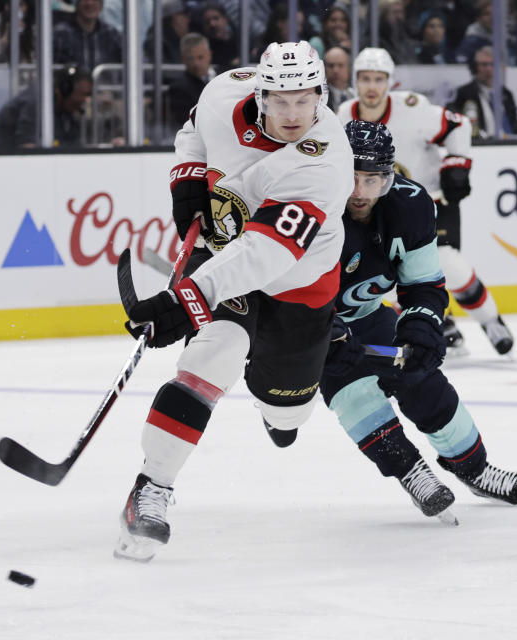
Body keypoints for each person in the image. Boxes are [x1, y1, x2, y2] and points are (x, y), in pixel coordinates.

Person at [115, 41, 353, 562]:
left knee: (288, 416)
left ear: (322, 97)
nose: (293, 114)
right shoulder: (224, 91)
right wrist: (189, 178)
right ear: (260, 93)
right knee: (209, 358)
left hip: (298, 283)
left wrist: (186, 298)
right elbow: (194, 129)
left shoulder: (326, 160)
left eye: (305, 100)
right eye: (281, 100)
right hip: (232, 272)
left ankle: (279, 398)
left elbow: (266, 252)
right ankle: (150, 489)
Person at [312, 120, 517, 522]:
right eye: (351, 179)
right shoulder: (307, 209)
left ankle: (474, 468)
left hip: (364, 315)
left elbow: (423, 285)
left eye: (373, 180)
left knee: (420, 374)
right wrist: (321, 331)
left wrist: (420, 326)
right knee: (352, 390)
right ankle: (410, 471)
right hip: (302, 328)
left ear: (389, 176)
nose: (360, 193)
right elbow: (282, 291)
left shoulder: (412, 205)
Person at [337, 47, 514, 356]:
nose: (371, 87)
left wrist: (457, 164)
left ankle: (491, 320)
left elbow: (459, 124)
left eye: (378, 79)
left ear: (390, 82)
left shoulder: (413, 107)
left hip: (429, 201)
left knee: (447, 265)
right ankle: (444, 324)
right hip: (380, 207)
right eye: (364, 79)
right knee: (385, 269)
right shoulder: (343, 114)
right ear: (355, 81)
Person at [0, 66, 92, 150]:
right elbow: (27, 147)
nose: (86, 100)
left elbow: (73, 144)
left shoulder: (65, 109)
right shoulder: (37, 103)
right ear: (64, 89)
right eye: (83, 94)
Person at [448, 46, 517, 140]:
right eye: (484, 64)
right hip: (482, 146)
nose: (488, 69)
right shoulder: (464, 93)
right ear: (474, 67)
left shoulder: (506, 94)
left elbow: (515, 127)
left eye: (493, 64)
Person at [166, 33, 214, 133]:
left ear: (209, 55)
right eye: (190, 59)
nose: (196, 64)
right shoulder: (178, 88)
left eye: (200, 57)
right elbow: (189, 121)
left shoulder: (225, 75)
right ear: (183, 59)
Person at [52, 0, 122, 69]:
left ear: (101, 5)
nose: (89, 3)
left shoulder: (111, 34)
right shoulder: (61, 34)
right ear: (76, 4)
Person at [199, 2, 238, 72]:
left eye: (216, 18)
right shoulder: (202, 49)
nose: (212, 24)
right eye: (207, 21)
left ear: (225, 20)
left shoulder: (240, 45)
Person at [323, 45, 354, 112]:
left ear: (349, 68)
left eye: (340, 65)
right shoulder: (319, 98)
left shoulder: (356, 94)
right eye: (331, 66)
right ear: (324, 68)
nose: (335, 70)